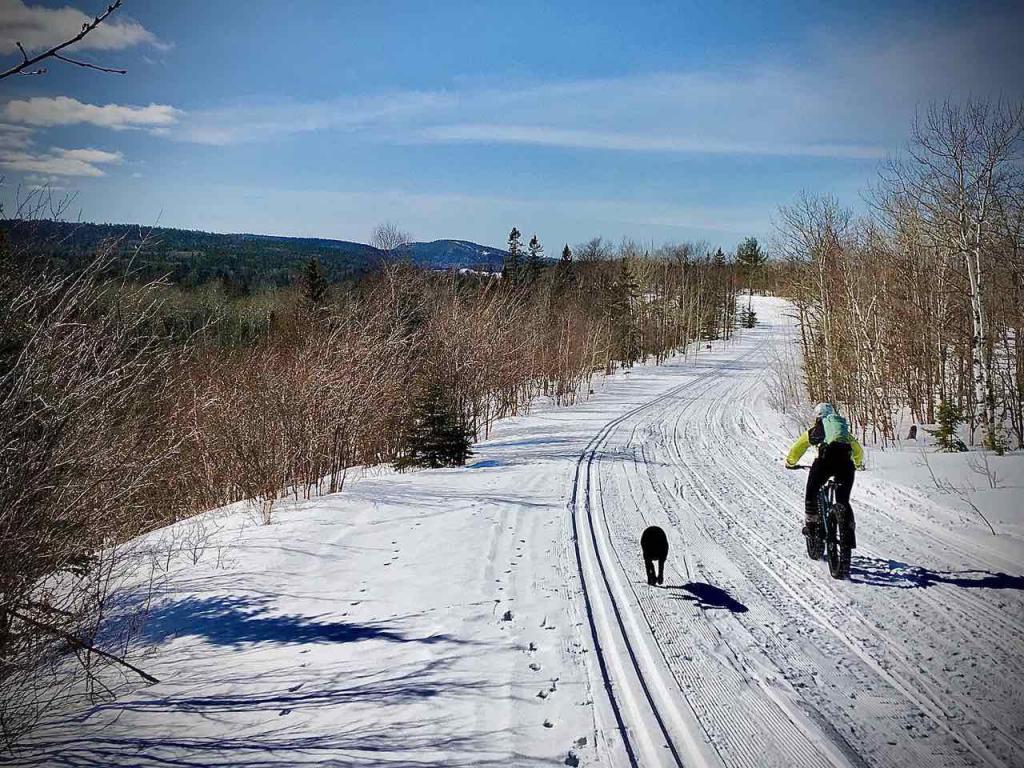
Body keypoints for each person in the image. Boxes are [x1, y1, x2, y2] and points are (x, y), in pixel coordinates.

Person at [785, 403, 864, 542]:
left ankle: (811, 526)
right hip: (846, 465)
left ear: (817, 417)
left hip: (825, 463)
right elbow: (857, 451)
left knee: (812, 491)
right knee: (843, 500)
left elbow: (797, 448)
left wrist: (790, 463)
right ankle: (848, 532)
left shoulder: (816, 430)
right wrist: (856, 464)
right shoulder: (843, 432)